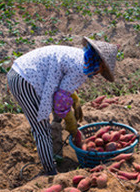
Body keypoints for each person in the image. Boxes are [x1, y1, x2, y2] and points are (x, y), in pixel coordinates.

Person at [7, 36, 118, 174]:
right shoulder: (81, 68)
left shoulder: (80, 56)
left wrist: (73, 98)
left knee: (48, 118)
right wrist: (73, 128)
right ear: (98, 62)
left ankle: (54, 134)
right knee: (41, 130)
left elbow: (60, 82)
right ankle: (50, 171)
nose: (98, 73)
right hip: (25, 79)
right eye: (102, 69)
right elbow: (60, 102)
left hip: (22, 71)